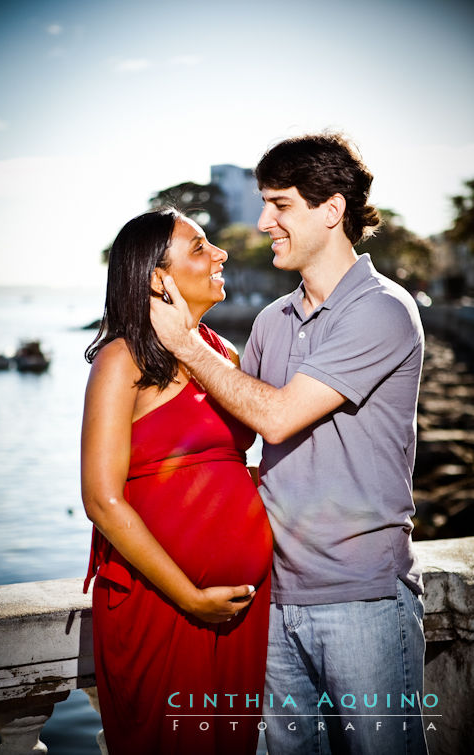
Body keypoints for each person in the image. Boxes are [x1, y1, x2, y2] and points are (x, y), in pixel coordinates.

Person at [150, 133, 430, 754]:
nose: (262, 221)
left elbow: (275, 417)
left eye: (279, 205)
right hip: (272, 600)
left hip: (363, 602)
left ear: (331, 210)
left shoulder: (383, 310)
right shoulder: (272, 320)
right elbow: (232, 438)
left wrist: (187, 343)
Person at [81, 208, 273, 754]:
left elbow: (225, 464)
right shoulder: (122, 360)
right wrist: (189, 596)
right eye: (200, 248)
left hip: (241, 609)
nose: (221, 255)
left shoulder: (222, 354)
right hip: (162, 603)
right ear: (156, 278)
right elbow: (100, 497)